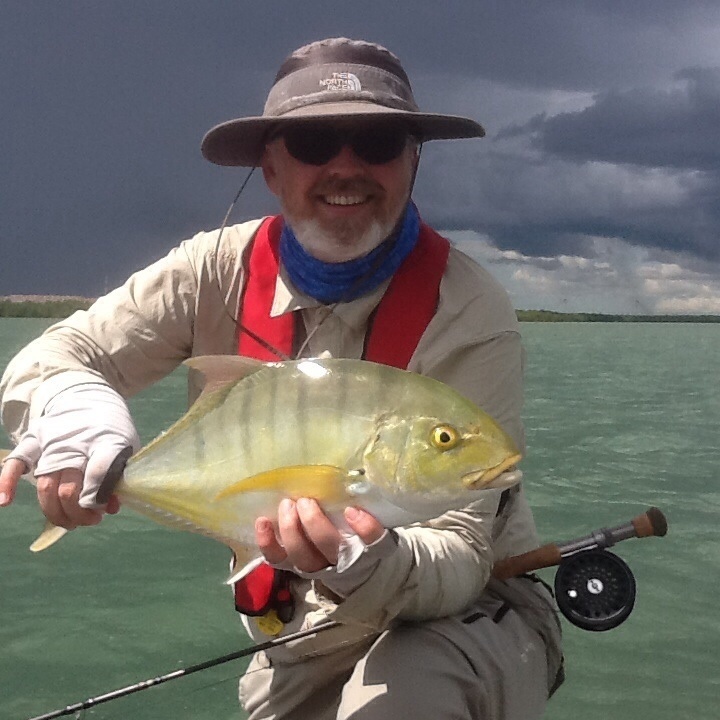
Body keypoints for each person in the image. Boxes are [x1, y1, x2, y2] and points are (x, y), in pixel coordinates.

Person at [0, 37, 562, 719]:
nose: (346, 166)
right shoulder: (209, 272)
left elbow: (463, 553)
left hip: (474, 611)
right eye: (315, 142)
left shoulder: (472, 310)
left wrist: (360, 557)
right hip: (302, 626)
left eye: (378, 140)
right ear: (270, 165)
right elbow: (63, 352)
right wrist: (70, 409)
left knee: (404, 700)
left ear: (413, 160)